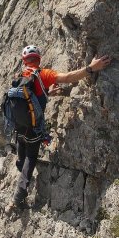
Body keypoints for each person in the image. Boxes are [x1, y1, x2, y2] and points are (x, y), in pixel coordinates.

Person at [10, 44, 111, 210]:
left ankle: (20, 168)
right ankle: (19, 195)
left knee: (22, 147)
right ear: (39, 58)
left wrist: (47, 93)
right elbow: (69, 77)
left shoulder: (21, 76)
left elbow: (29, 98)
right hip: (33, 128)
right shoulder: (43, 74)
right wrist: (91, 68)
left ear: (24, 61)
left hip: (18, 125)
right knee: (31, 157)